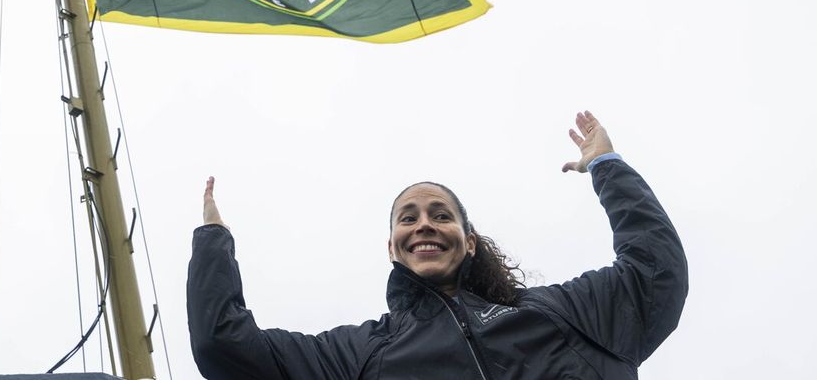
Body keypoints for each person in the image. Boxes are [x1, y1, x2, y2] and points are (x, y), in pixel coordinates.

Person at [187, 111, 687, 379]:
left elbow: (655, 270)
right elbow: (227, 348)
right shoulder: (359, 355)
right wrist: (214, 241)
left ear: (468, 242)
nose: (424, 225)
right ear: (392, 248)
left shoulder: (560, 313)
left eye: (440, 215)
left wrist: (607, 167)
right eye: (409, 218)